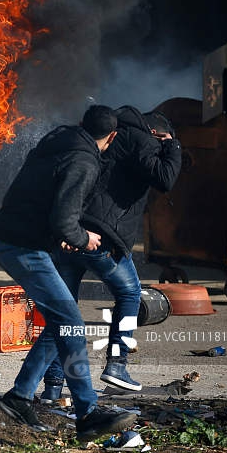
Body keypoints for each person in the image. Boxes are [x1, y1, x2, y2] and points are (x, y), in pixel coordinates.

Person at [0, 104, 137, 441]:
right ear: (112, 137)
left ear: (81, 122)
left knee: (62, 320)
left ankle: (20, 396)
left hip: (15, 239)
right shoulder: (84, 161)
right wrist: (82, 237)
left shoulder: (60, 140)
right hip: (22, 247)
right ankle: (88, 414)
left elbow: (44, 200)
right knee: (70, 320)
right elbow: (63, 218)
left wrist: (62, 236)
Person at [40, 106, 181, 400]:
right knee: (130, 295)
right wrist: (171, 145)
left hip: (68, 232)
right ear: (156, 131)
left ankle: (53, 385)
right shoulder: (144, 142)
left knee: (64, 313)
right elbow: (166, 178)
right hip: (102, 237)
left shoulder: (98, 138)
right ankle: (117, 364)